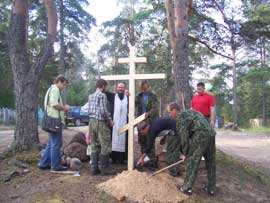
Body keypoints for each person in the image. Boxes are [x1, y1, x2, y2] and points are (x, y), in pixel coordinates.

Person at [172, 108, 216, 196]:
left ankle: (186, 188)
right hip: (211, 133)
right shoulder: (191, 112)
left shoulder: (180, 118)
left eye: (170, 112)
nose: (170, 115)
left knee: (192, 162)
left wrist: (185, 153)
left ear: (175, 110)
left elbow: (184, 138)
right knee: (211, 162)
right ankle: (211, 189)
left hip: (201, 134)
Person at [38, 75, 70, 171]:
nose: (64, 87)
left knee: (51, 143)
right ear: (59, 81)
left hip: (50, 119)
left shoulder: (51, 89)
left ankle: (43, 163)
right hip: (54, 120)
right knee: (57, 143)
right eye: (64, 85)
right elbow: (54, 104)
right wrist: (64, 108)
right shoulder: (55, 89)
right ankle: (55, 166)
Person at [136, 102, 179, 169]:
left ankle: (174, 168)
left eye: (142, 132)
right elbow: (164, 127)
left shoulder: (152, 131)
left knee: (173, 148)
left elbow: (149, 146)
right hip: (172, 128)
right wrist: (164, 138)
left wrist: (142, 158)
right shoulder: (153, 124)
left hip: (176, 127)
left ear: (146, 128)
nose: (142, 134)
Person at [88, 79, 116, 176]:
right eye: (106, 86)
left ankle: (94, 169)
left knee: (94, 144)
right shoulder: (102, 96)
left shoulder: (90, 96)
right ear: (103, 86)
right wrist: (110, 121)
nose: (106, 88)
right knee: (105, 144)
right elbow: (103, 111)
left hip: (91, 122)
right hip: (100, 123)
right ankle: (105, 169)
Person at [135, 81, 159, 167]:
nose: (144, 89)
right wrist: (128, 95)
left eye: (146, 88)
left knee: (150, 142)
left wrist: (149, 113)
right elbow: (132, 103)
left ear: (149, 87)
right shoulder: (138, 96)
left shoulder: (153, 96)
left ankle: (152, 162)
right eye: (143, 88)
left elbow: (156, 108)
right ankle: (144, 161)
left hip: (150, 121)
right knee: (142, 142)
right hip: (140, 121)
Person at [105, 82, 128, 164]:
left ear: (125, 88)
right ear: (116, 88)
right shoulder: (113, 96)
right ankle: (113, 158)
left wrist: (130, 94)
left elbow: (135, 101)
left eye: (122, 87)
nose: (120, 89)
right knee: (113, 139)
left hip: (125, 123)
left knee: (125, 140)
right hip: (114, 123)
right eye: (119, 87)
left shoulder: (128, 97)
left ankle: (123, 159)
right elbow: (104, 91)